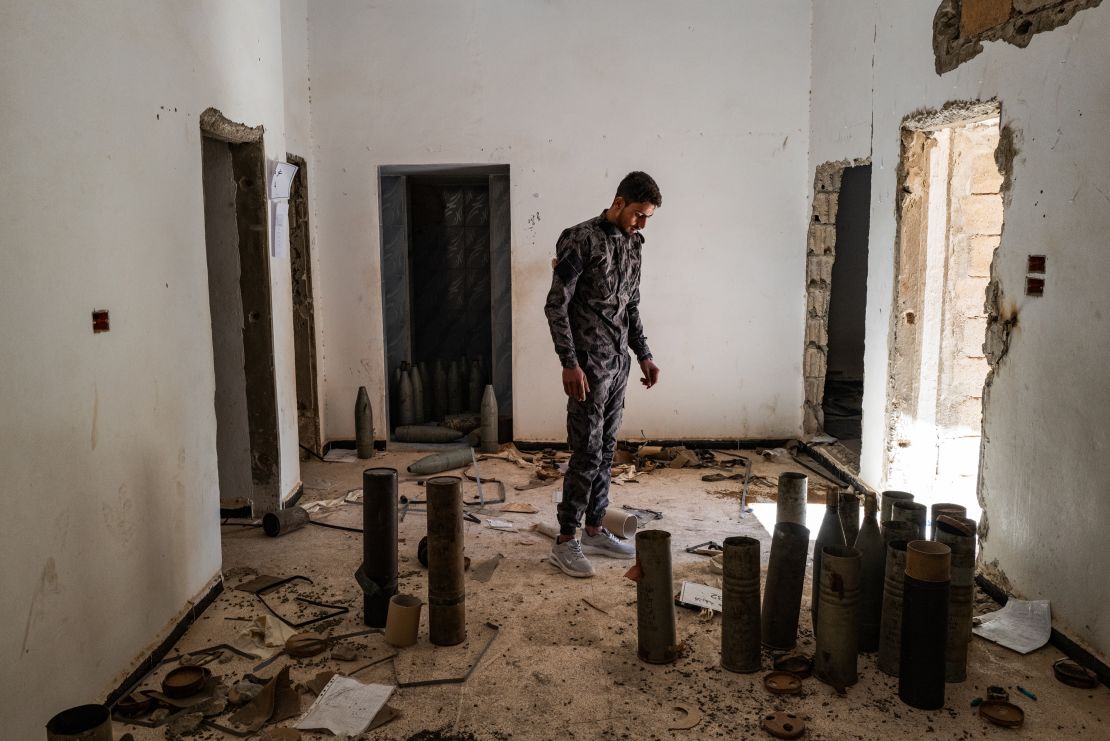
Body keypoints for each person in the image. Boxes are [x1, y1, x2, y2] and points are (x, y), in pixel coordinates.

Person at [543, 171, 662, 578]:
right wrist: (569, 362)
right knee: (586, 452)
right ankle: (565, 540)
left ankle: (594, 528)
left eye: (647, 218)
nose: (641, 223)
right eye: (638, 214)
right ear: (618, 202)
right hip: (587, 369)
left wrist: (643, 354)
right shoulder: (579, 239)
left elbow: (630, 308)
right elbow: (556, 306)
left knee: (607, 451)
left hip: (618, 367)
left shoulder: (634, 246)